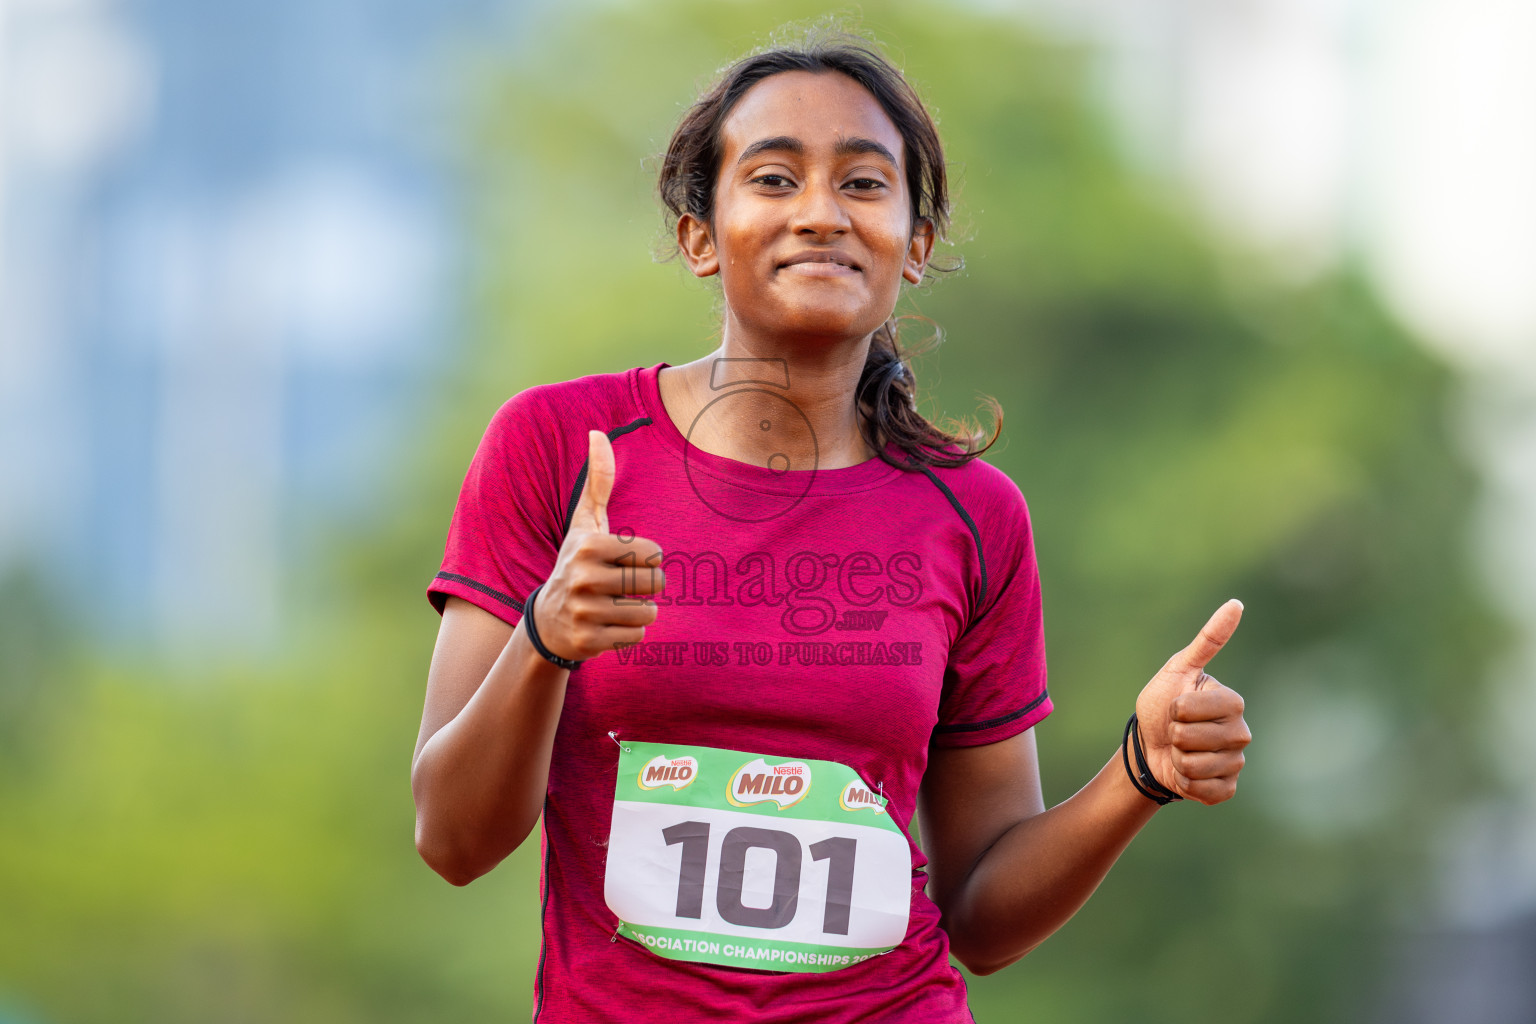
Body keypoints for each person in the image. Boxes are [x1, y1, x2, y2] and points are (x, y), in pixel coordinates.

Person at [411, 31, 1251, 1024]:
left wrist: (1137, 774)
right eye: (773, 179)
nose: (820, 213)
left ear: (915, 245)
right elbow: (453, 841)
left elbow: (983, 919)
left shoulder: (975, 516)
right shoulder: (559, 447)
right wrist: (544, 639)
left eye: (862, 183)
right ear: (701, 237)